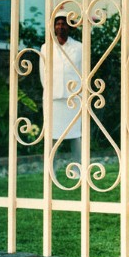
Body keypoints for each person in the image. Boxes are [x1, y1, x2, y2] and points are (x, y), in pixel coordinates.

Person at [39, 9, 83, 171]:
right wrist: (51, 92)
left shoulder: (79, 47)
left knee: (76, 136)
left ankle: (78, 171)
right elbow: (43, 74)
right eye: (57, 23)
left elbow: (83, 72)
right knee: (52, 137)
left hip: (73, 99)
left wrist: (78, 93)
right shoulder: (46, 48)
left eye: (64, 23)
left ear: (69, 26)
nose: (60, 26)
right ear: (53, 27)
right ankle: (51, 171)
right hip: (54, 99)